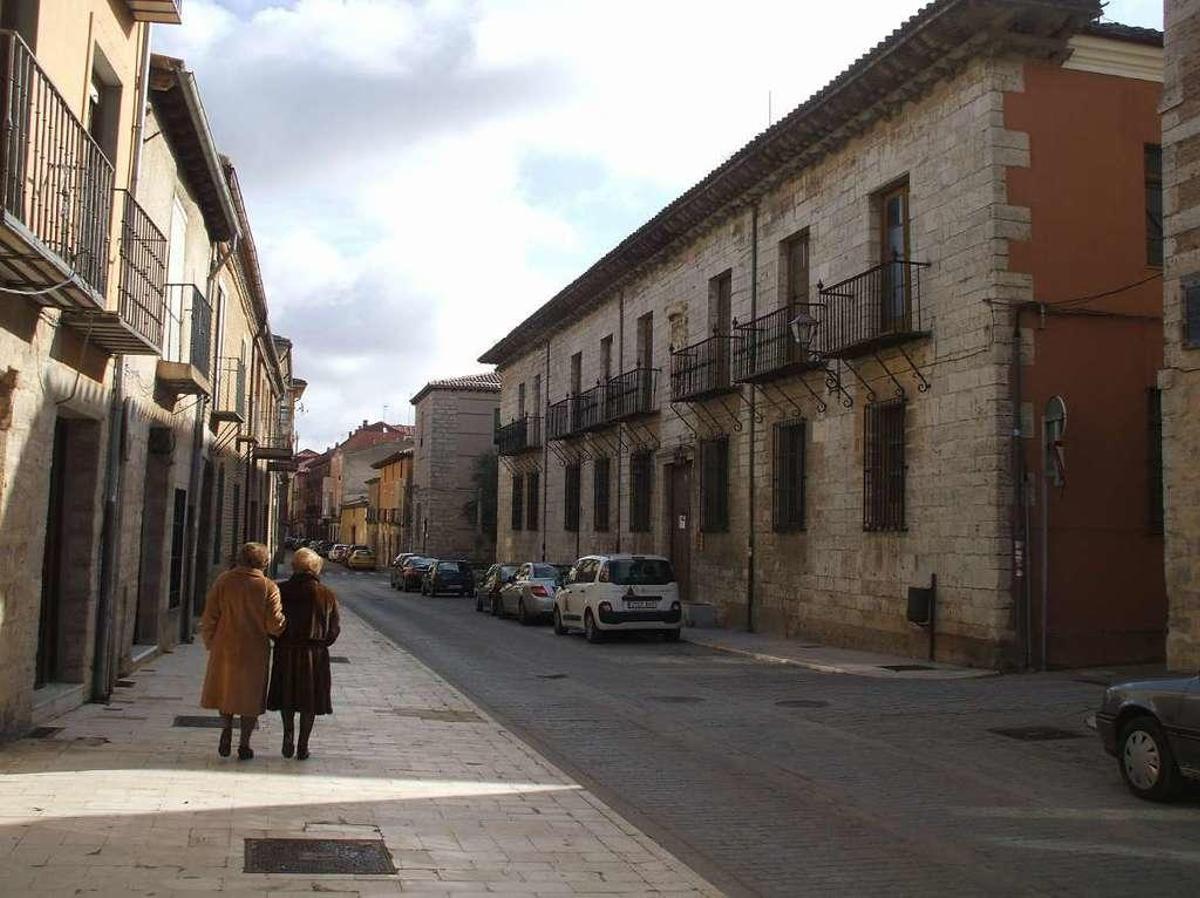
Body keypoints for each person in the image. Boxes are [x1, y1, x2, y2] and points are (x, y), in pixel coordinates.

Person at [199, 542, 286, 760]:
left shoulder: (223, 581)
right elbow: (274, 623)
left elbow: (210, 614)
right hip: (254, 649)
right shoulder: (268, 587)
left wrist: (211, 640)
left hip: (225, 645)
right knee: (250, 698)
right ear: (263, 562)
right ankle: (244, 743)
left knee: (226, 690)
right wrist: (283, 626)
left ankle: (226, 728)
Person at [267, 547, 341, 760]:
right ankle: (303, 744)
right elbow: (334, 629)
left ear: (294, 566)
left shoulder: (281, 590)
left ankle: (288, 734)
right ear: (316, 568)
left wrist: (278, 638)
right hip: (313, 655)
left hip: (286, 650)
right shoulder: (326, 594)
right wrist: (321, 643)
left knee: (287, 696)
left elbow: (272, 620)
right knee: (309, 701)